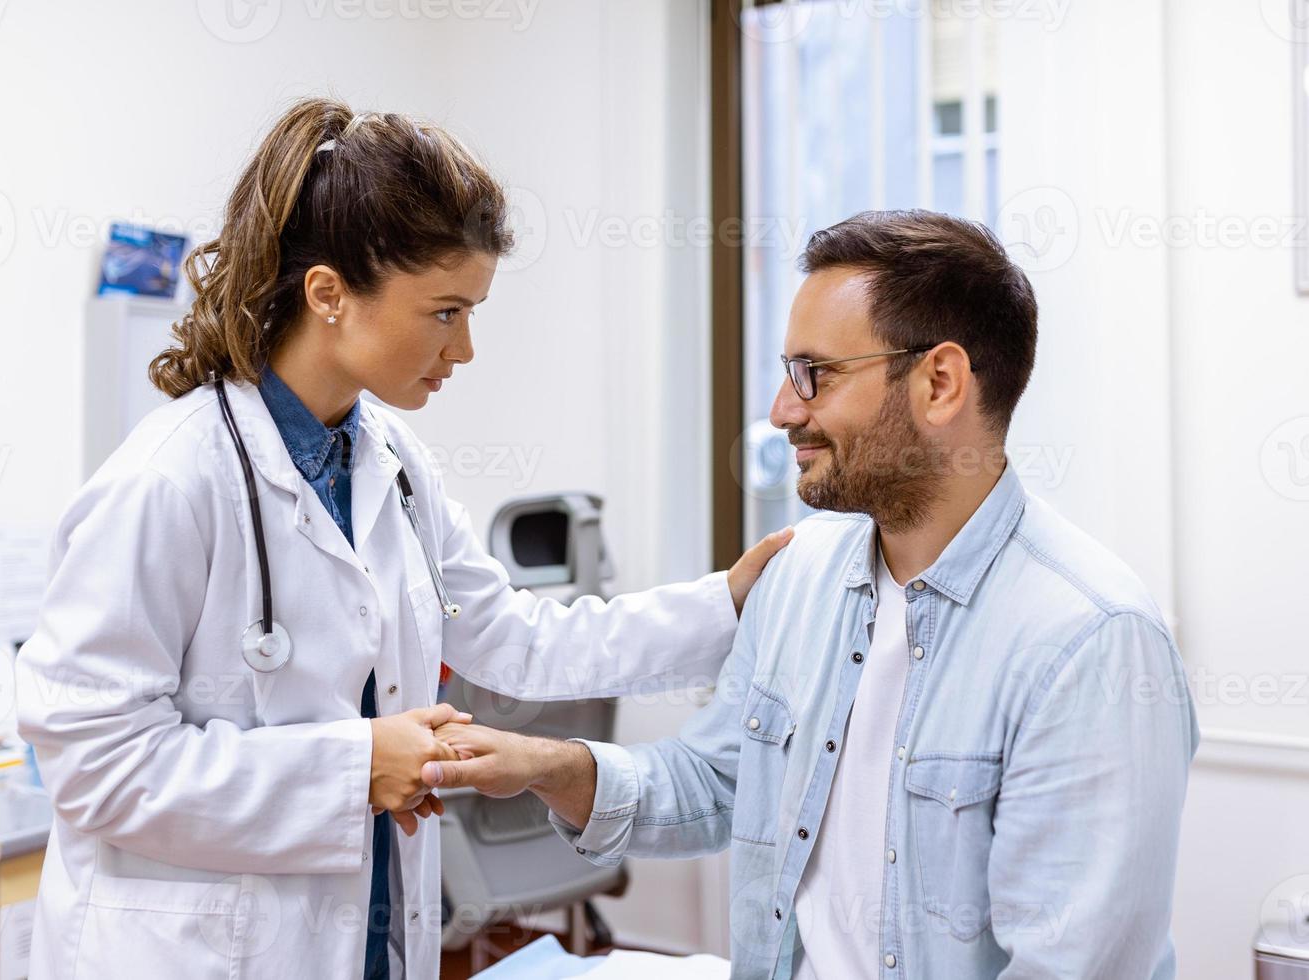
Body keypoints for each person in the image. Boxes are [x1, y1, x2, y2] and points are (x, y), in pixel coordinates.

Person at [13, 97, 790, 980]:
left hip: (367, 934)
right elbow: (94, 766)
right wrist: (352, 768)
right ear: (330, 295)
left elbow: (511, 638)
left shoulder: (394, 464)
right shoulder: (170, 482)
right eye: (445, 312)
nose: (464, 350)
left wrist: (727, 602)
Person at [425, 210, 1200, 980]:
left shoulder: (1091, 644)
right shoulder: (800, 575)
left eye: (815, 374)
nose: (781, 410)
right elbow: (716, 781)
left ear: (940, 383)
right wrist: (543, 764)